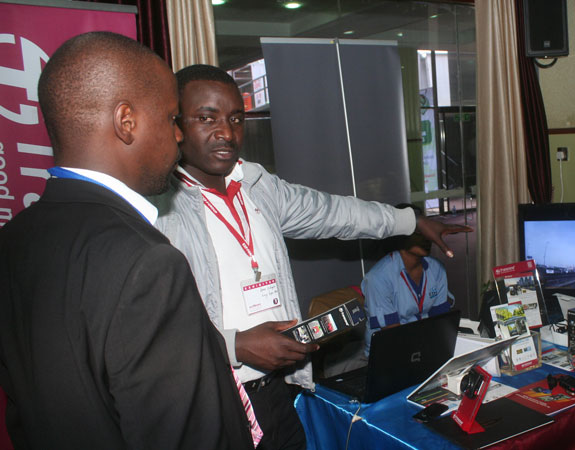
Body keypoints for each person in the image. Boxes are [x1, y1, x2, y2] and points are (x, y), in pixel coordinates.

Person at [153, 64, 471, 449]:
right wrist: (233, 345)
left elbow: (335, 213)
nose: (226, 132)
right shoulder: (159, 211)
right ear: (176, 124)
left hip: (278, 391)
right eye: (207, 118)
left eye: (235, 119)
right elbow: (154, 330)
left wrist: (410, 221)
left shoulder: (257, 186)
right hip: (214, 400)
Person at [0, 33, 254, 449]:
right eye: (171, 118)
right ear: (126, 122)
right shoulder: (148, 263)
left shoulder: (14, 238)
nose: (178, 136)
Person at [361, 207, 451, 356]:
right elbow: (394, 335)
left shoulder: (437, 269)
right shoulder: (378, 277)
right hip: (387, 352)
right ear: (399, 235)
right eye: (419, 232)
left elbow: (440, 319)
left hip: (424, 345)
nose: (427, 237)